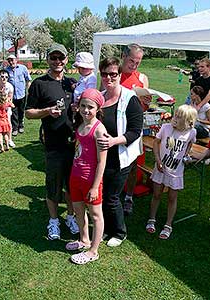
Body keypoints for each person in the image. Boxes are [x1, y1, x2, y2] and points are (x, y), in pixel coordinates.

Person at [25, 43, 79, 239]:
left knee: (72, 185)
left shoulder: (72, 83)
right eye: (53, 58)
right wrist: (47, 111)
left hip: (73, 143)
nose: (57, 61)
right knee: (53, 185)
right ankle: (54, 221)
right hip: (53, 145)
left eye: (61, 58)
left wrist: (77, 109)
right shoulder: (39, 83)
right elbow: (29, 113)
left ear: (66, 60)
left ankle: (71, 217)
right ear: (48, 59)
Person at [97, 57, 143, 247]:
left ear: (119, 75)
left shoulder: (130, 98)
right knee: (103, 195)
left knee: (112, 196)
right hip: (101, 156)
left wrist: (114, 141)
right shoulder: (100, 97)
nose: (109, 78)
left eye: (113, 74)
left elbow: (135, 130)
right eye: (105, 74)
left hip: (120, 156)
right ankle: (105, 228)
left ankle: (119, 232)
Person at [66, 88, 107, 265]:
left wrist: (94, 186)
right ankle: (84, 240)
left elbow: (101, 162)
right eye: (83, 106)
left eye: (90, 107)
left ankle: (93, 251)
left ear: (98, 108)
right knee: (78, 211)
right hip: (75, 177)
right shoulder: (80, 124)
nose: (86, 110)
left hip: (91, 180)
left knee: (96, 215)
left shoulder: (99, 130)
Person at [146, 104, 197, 239]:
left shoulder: (191, 132)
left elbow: (190, 144)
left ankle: (168, 225)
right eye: (176, 115)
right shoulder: (165, 128)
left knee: (172, 197)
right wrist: (157, 160)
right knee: (156, 194)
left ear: (189, 122)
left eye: (180, 117)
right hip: (160, 169)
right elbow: (156, 143)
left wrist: (186, 155)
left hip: (176, 171)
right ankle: (152, 219)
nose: (175, 118)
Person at [120, 43, 151, 215]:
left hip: (134, 126)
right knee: (113, 163)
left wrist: (146, 103)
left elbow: (144, 107)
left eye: (138, 62)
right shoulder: (113, 74)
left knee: (132, 165)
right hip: (116, 126)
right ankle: (113, 194)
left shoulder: (142, 78)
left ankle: (129, 197)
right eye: (132, 60)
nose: (134, 65)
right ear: (123, 56)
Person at [6, 54, 31, 136]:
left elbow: (28, 80)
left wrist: (28, 90)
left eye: (12, 60)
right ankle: (15, 128)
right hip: (11, 96)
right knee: (13, 112)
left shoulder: (23, 68)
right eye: (9, 60)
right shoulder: (6, 70)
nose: (11, 62)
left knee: (21, 111)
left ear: (16, 60)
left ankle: (21, 125)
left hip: (22, 94)